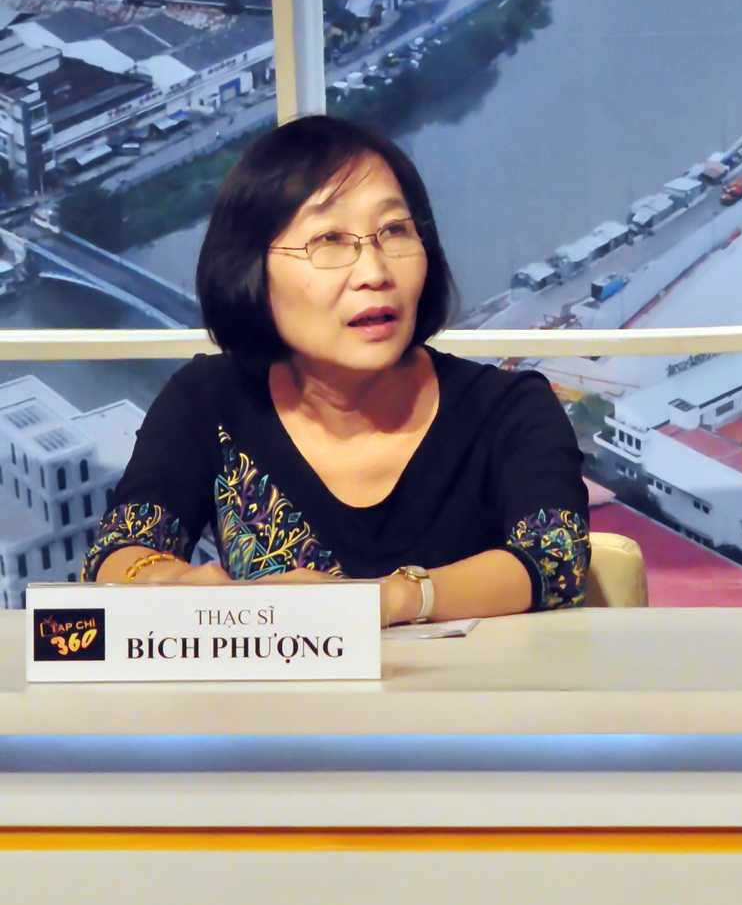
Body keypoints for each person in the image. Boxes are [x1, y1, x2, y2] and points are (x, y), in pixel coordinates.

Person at [83, 115, 590, 626]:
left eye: (395, 231)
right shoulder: (207, 401)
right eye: (328, 240)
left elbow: (555, 560)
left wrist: (386, 600)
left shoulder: (508, 408)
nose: (375, 273)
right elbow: (117, 551)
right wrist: (169, 581)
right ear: (250, 268)